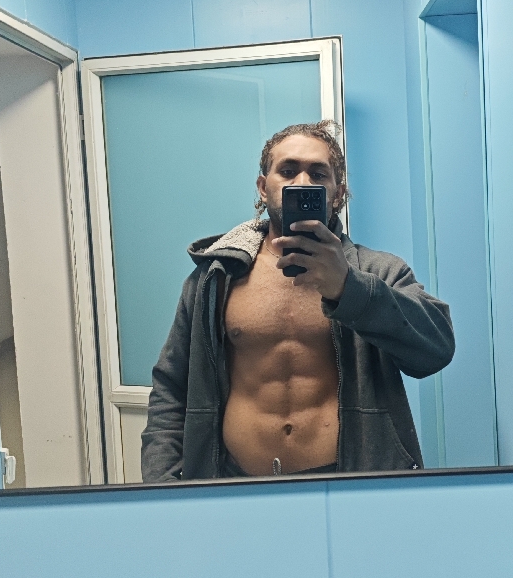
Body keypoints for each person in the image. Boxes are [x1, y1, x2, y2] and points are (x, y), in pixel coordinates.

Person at [141, 120, 455, 481]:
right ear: (263, 188)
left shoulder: (379, 272)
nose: (302, 183)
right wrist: (163, 481)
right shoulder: (217, 276)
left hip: (348, 484)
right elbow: (171, 387)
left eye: (318, 174)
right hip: (233, 482)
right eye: (288, 171)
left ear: (337, 193)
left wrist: (348, 288)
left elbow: (436, 350)